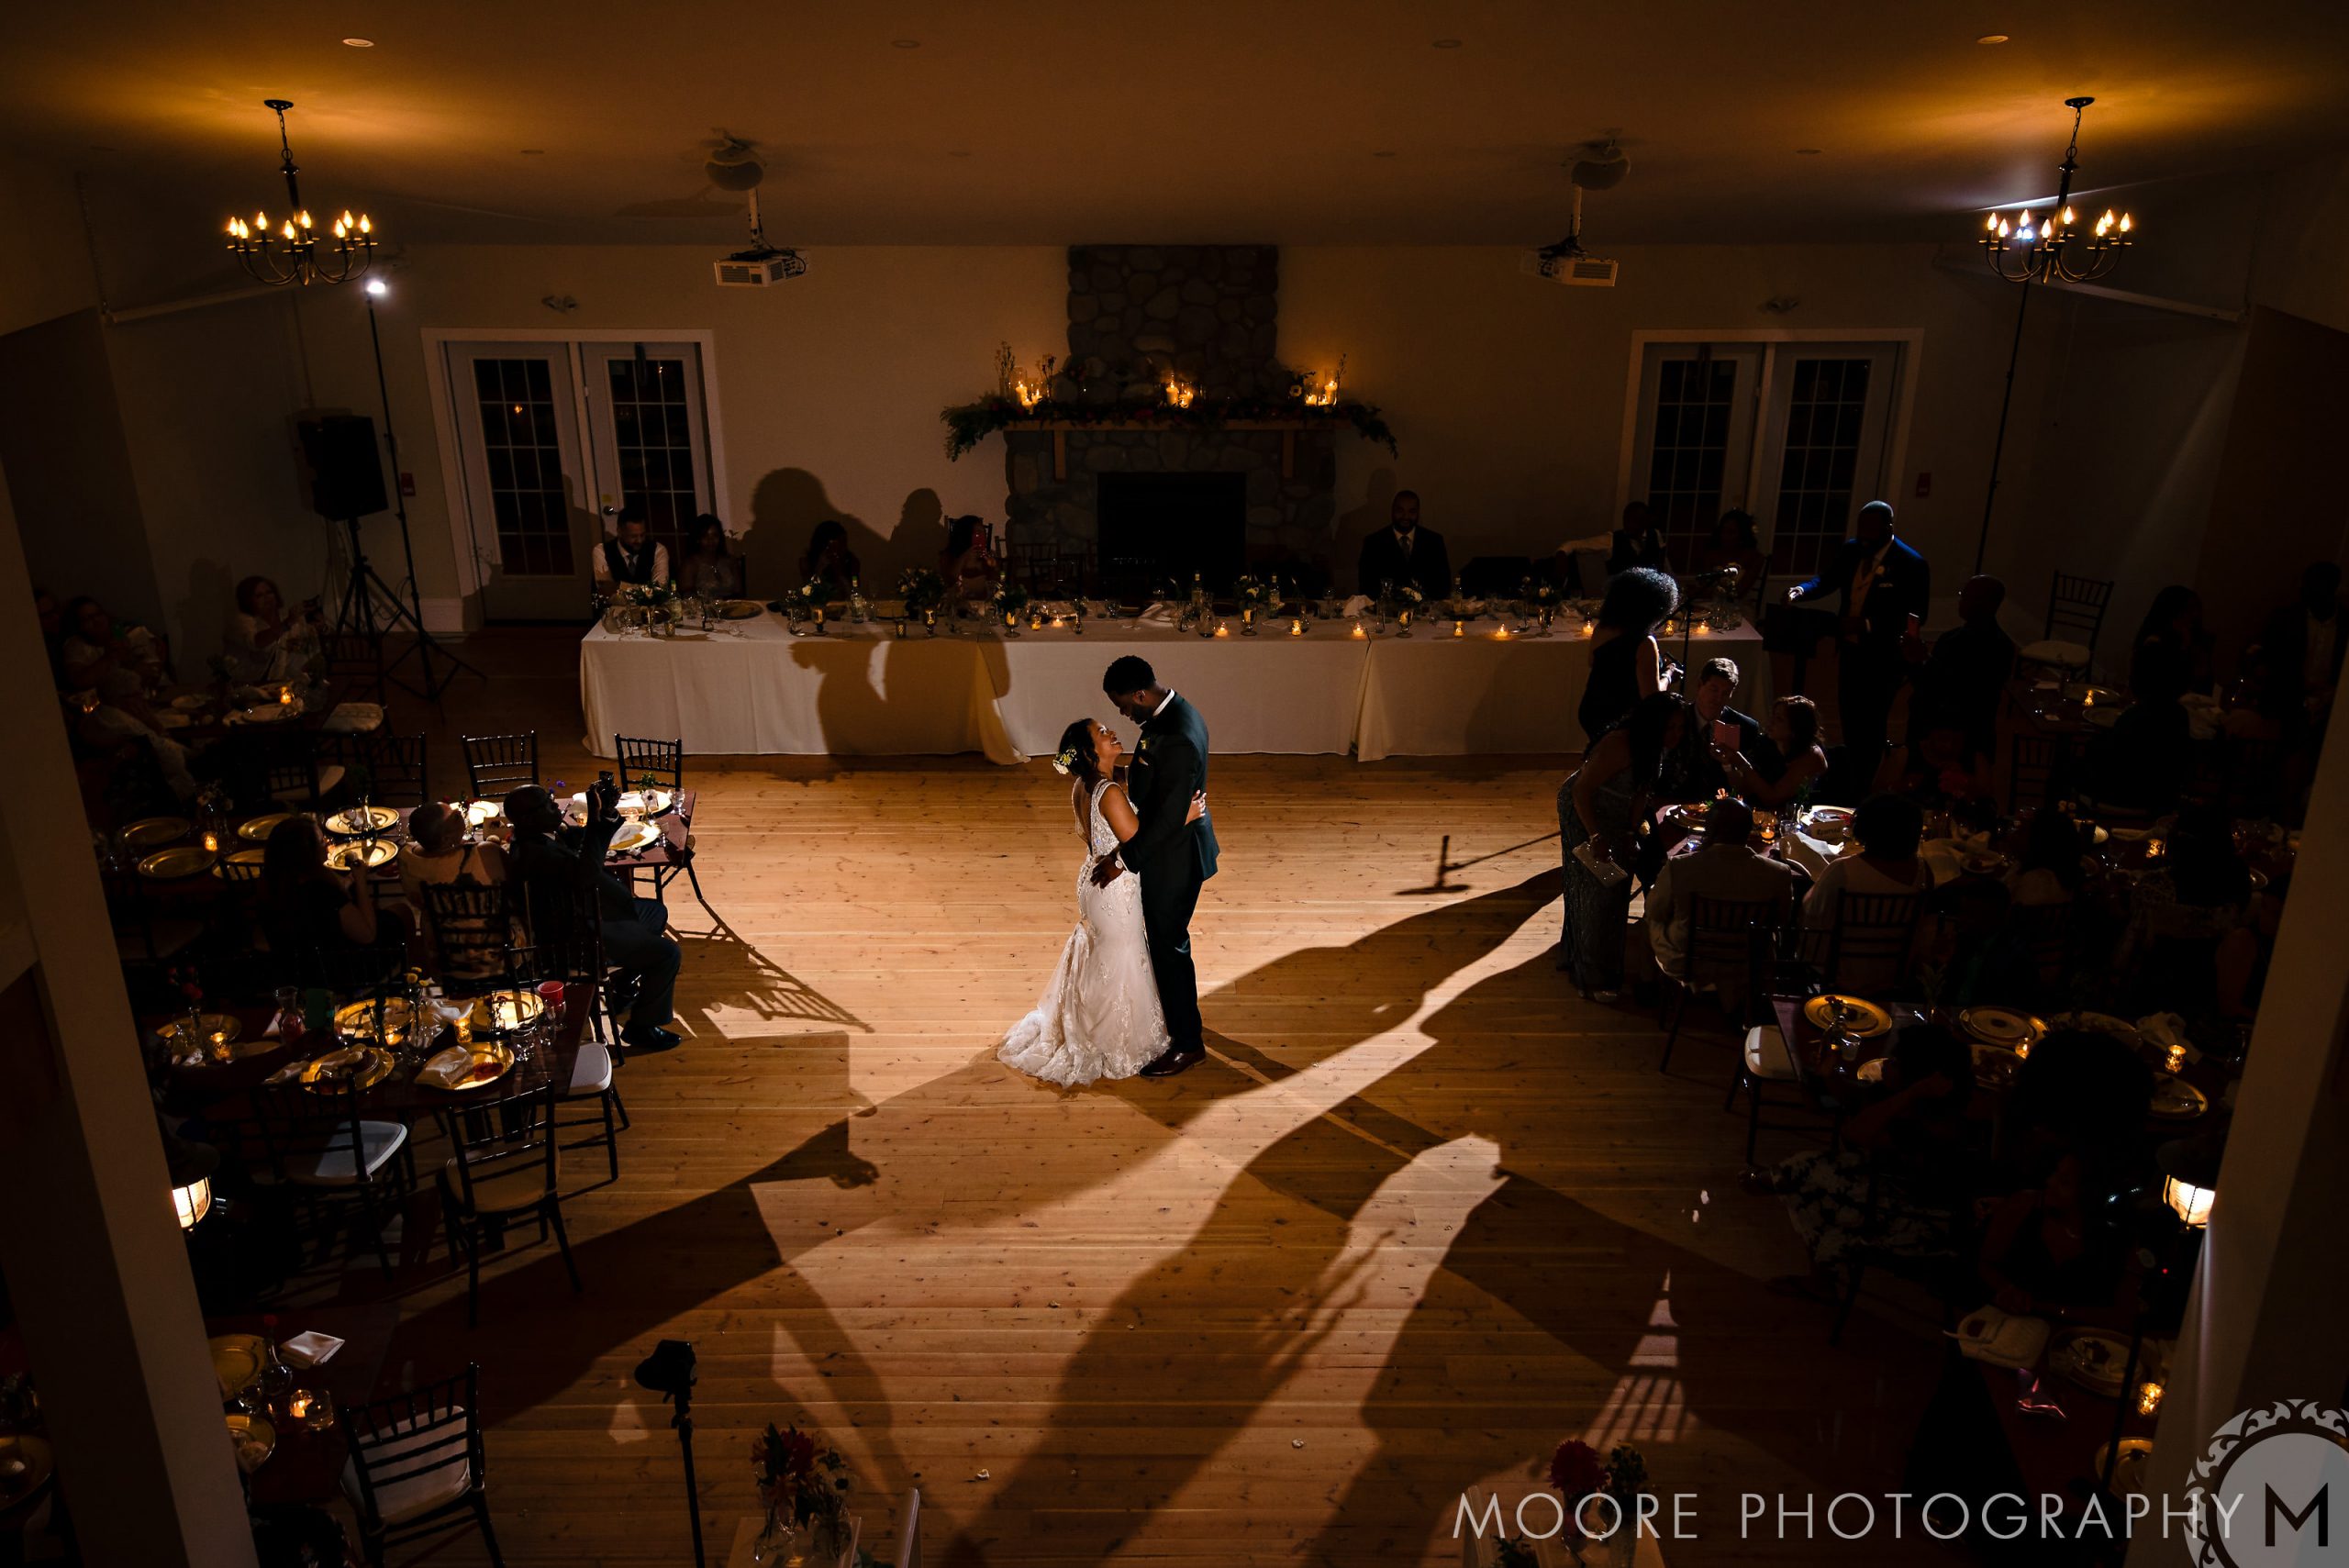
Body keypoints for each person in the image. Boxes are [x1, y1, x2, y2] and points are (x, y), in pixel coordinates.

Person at [999, 718, 1208, 1086]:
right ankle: (1112, 1040)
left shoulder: (1084, 784)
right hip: (1115, 891)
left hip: (1092, 882)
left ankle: (1087, 1025)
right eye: (1102, 733)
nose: (1111, 733)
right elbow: (1141, 841)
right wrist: (1183, 816)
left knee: (1105, 957)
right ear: (1089, 751)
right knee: (1121, 960)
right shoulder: (1109, 792)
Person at [1771, 1024, 1977, 1300]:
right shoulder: (1900, 1097)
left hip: (1917, 1214)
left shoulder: (1934, 1124)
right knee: (1803, 1174)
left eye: (1895, 1062)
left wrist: (1912, 1093)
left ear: (1917, 1078)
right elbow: (1854, 1102)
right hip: (1886, 1181)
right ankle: (1819, 1273)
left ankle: (1821, 1276)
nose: (1886, 1064)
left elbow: (1854, 1132)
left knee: (1806, 1186)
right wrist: (1829, 1073)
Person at [1091, 658, 1219, 1077]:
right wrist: (1117, 773)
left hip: (1176, 858)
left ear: (1141, 694)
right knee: (1165, 945)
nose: (1123, 714)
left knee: (1169, 948)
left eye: (1124, 705)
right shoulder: (1171, 714)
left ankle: (1188, 1044)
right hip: (1171, 849)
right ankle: (1180, 1020)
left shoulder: (1178, 735)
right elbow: (1159, 778)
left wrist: (1122, 860)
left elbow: (1168, 820)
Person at [504, 780, 683, 1051]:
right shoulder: (534, 854)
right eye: (548, 805)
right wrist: (597, 824)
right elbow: (586, 873)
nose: (557, 806)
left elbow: (585, 841)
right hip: (579, 933)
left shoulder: (541, 835)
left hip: (593, 911)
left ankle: (622, 988)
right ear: (529, 818)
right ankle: (642, 1027)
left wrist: (604, 812)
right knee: (668, 954)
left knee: (656, 913)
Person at [1785, 500, 1930, 788]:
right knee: (1849, 712)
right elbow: (1827, 580)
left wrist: (1866, 624)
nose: (1864, 534)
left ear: (1888, 527)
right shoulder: (1852, 550)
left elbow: (1917, 614)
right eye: (1861, 527)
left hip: (1884, 656)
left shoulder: (1911, 564)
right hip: (1851, 651)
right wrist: (1801, 590)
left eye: (1871, 528)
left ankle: (1869, 780)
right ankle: (1853, 774)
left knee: (1872, 719)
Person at [1559, 692, 1686, 1001]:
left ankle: (1589, 960)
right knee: (1598, 890)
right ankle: (1592, 977)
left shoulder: (1655, 747)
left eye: (1680, 727)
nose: (1676, 735)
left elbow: (1642, 792)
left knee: (1617, 887)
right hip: (1584, 813)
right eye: (1670, 727)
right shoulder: (1619, 744)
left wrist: (1630, 832)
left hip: (1616, 815)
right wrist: (1596, 837)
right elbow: (1581, 790)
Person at [1646, 796, 1798, 984]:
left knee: (1651, 918)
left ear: (1709, 830)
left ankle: (1648, 986)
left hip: (1690, 963)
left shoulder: (1680, 867)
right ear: (1748, 831)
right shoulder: (1778, 873)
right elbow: (1781, 919)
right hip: (1750, 964)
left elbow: (1654, 911)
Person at [1800, 793, 1931, 994]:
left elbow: (1811, 909)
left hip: (1839, 972)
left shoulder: (1843, 869)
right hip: (1893, 974)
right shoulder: (1923, 872)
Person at [259, 816, 394, 967]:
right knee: (400, 914)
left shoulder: (273, 885)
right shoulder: (321, 893)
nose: (327, 844)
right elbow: (367, 935)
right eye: (322, 841)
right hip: (341, 967)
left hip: (297, 966)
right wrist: (361, 880)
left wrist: (347, 882)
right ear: (307, 854)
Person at [397, 802, 513, 980]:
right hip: (495, 956)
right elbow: (513, 885)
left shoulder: (407, 857)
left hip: (443, 954)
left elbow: (416, 901)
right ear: (445, 838)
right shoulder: (485, 852)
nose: (460, 813)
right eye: (456, 816)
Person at [1576, 566, 1678, 744]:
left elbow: (1592, 661)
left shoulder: (1602, 629)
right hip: (1620, 718)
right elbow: (1651, 698)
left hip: (1592, 711)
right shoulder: (1645, 643)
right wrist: (1669, 674)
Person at [1913, 574, 2012, 757]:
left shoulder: (1993, 647)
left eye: (1966, 596)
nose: (1961, 601)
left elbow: (1967, 691)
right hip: (1968, 732)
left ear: (1988, 604)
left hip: (1961, 735)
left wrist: (1923, 661)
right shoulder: (2003, 645)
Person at [2243, 560, 2343, 735]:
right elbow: (2260, 652)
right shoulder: (2286, 619)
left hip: (2330, 710)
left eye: (2317, 586)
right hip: (2285, 705)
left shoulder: (2344, 626)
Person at [1664, 655, 1777, 801]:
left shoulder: (1745, 727)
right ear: (1700, 685)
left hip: (1723, 806)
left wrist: (1730, 764)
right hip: (1675, 802)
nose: (1718, 698)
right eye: (1714, 689)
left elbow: (1749, 788)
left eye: (1725, 693)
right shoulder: (1678, 719)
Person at [1721, 695, 1828, 811]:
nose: (1771, 721)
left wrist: (1743, 764)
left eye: (1779, 719)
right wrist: (1727, 763)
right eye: (1773, 715)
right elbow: (1744, 790)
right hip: (1761, 815)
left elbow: (1773, 798)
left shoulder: (1811, 755)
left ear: (1796, 728)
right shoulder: (1767, 744)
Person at [1873, 722, 1995, 813]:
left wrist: (1965, 781)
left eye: (1956, 741)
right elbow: (1876, 795)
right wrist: (1906, 785)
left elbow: (1987, 803)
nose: (1949, 746)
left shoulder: (1975, 759)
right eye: (1943, 739)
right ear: (1930, 735)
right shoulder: (1906, 754)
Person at [224, 576, 323, 685]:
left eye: (269, 592)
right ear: (248, 600)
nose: (267, 598)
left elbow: (308, 650)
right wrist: (287, 624)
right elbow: (255, 643)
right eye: (259, 595)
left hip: (290, 684)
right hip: (252, 685)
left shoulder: (287, 617)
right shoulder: (242, 621)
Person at [1355, 490, 1451, 600]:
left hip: (1426, 608)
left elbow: (1443, 585)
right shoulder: (1373, 542)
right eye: (1400, 510)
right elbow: (1366, 586)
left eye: (1412, 511)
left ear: (1418, 512)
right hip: (1386, 608)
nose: (1406, 516)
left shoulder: (1434, 541)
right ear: (1392, 511)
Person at [2129, 584, 2211, 700]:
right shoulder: (2154, 644)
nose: (2195, 615)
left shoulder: (2195, 642)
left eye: (2196, 610)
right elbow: (2162, 686)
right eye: (2188, 610)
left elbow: (2202, 679)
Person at [2005, 808, 2087, 908]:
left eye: (2022, 831)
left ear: (2039, 844)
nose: (2013, 835)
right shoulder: (2028, 863)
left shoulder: (2037, 886)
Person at [592, 504, 670, 589]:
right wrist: (646, 590)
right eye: (633, 536)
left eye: (642, 535)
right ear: (619, 532)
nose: (639, 540)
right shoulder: (602, 551)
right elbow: (605, 588)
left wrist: (619, 586)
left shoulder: (657, 550)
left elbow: (660, 588)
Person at [677, 514, 746, 599]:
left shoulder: (730, 561)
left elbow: (739, 593)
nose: (711, 540)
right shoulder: (690, 565)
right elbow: (687, 597)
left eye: (715, 535)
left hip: (732, 606)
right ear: (698, 539)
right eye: (705, 536)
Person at [940, 515, 999, 604]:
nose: (983, 536)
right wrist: (965, 556)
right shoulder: (950, 555)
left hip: (983, 606)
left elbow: (996, 588)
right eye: (978, 533)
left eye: (984, 533)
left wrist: (994, 567)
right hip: (958, 606)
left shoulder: (986, 558)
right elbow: (949, 580)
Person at [795, 518, 859, 597]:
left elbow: (855, 593)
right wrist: (819, 568)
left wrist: (840, 573)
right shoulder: (807, 560)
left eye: (844, 543)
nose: (843, 548)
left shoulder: (851, 561)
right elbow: (808, 593)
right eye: (839, 543)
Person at [1607, 501, 1672, 575]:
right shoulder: (1613, 538)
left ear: (1645, 521)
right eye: (1626, 519)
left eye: (1635, 521)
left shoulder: (1655, 534)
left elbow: (1664, 563)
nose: (1628, 524)